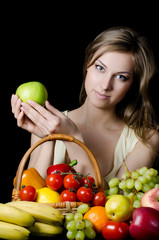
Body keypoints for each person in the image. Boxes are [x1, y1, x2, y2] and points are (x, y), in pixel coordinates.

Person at [11, 26, 159, 189]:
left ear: (133, 84)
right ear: (87, 64)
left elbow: (114, 206)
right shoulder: (50, 122)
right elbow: (30, 196)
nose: (105, 85)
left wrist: (73, 137)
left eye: (121, 77)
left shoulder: (145, 139)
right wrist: (48, 137)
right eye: (100, 68)